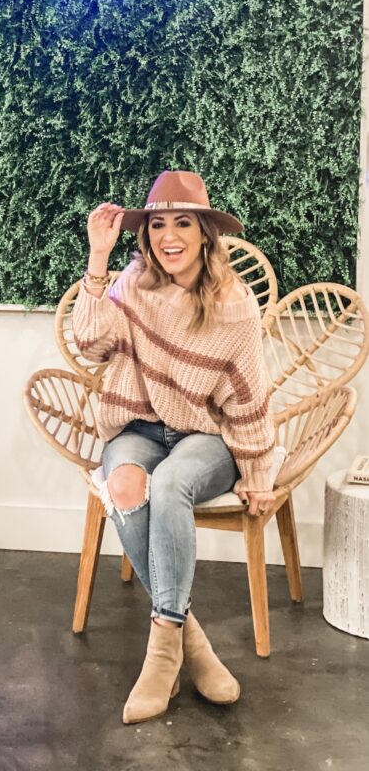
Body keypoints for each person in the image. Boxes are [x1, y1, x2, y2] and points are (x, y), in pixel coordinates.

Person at [71, 170, 276, 724]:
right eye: (158, 225)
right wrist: (98, 259)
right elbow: (89, 344)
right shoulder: (134, 283)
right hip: (137, 429)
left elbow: (248, 394)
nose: (169, 236)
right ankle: (191, 643)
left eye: (183, 223)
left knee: (169, 484)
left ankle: (161, 655)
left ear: (205, 233)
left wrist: (258, 473)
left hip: (205, 436)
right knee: (124, 485)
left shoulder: (234, 304)